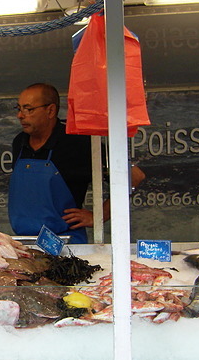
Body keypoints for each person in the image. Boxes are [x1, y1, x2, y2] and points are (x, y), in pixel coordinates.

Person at [8, 83, 144, 243]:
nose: (20, 115)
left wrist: (99, 216)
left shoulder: (77, 142)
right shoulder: (19, 142)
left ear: (50, 110)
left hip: (66, 243)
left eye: (28, 109)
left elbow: (134, 177)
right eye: (19, 109)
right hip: (25, 243)